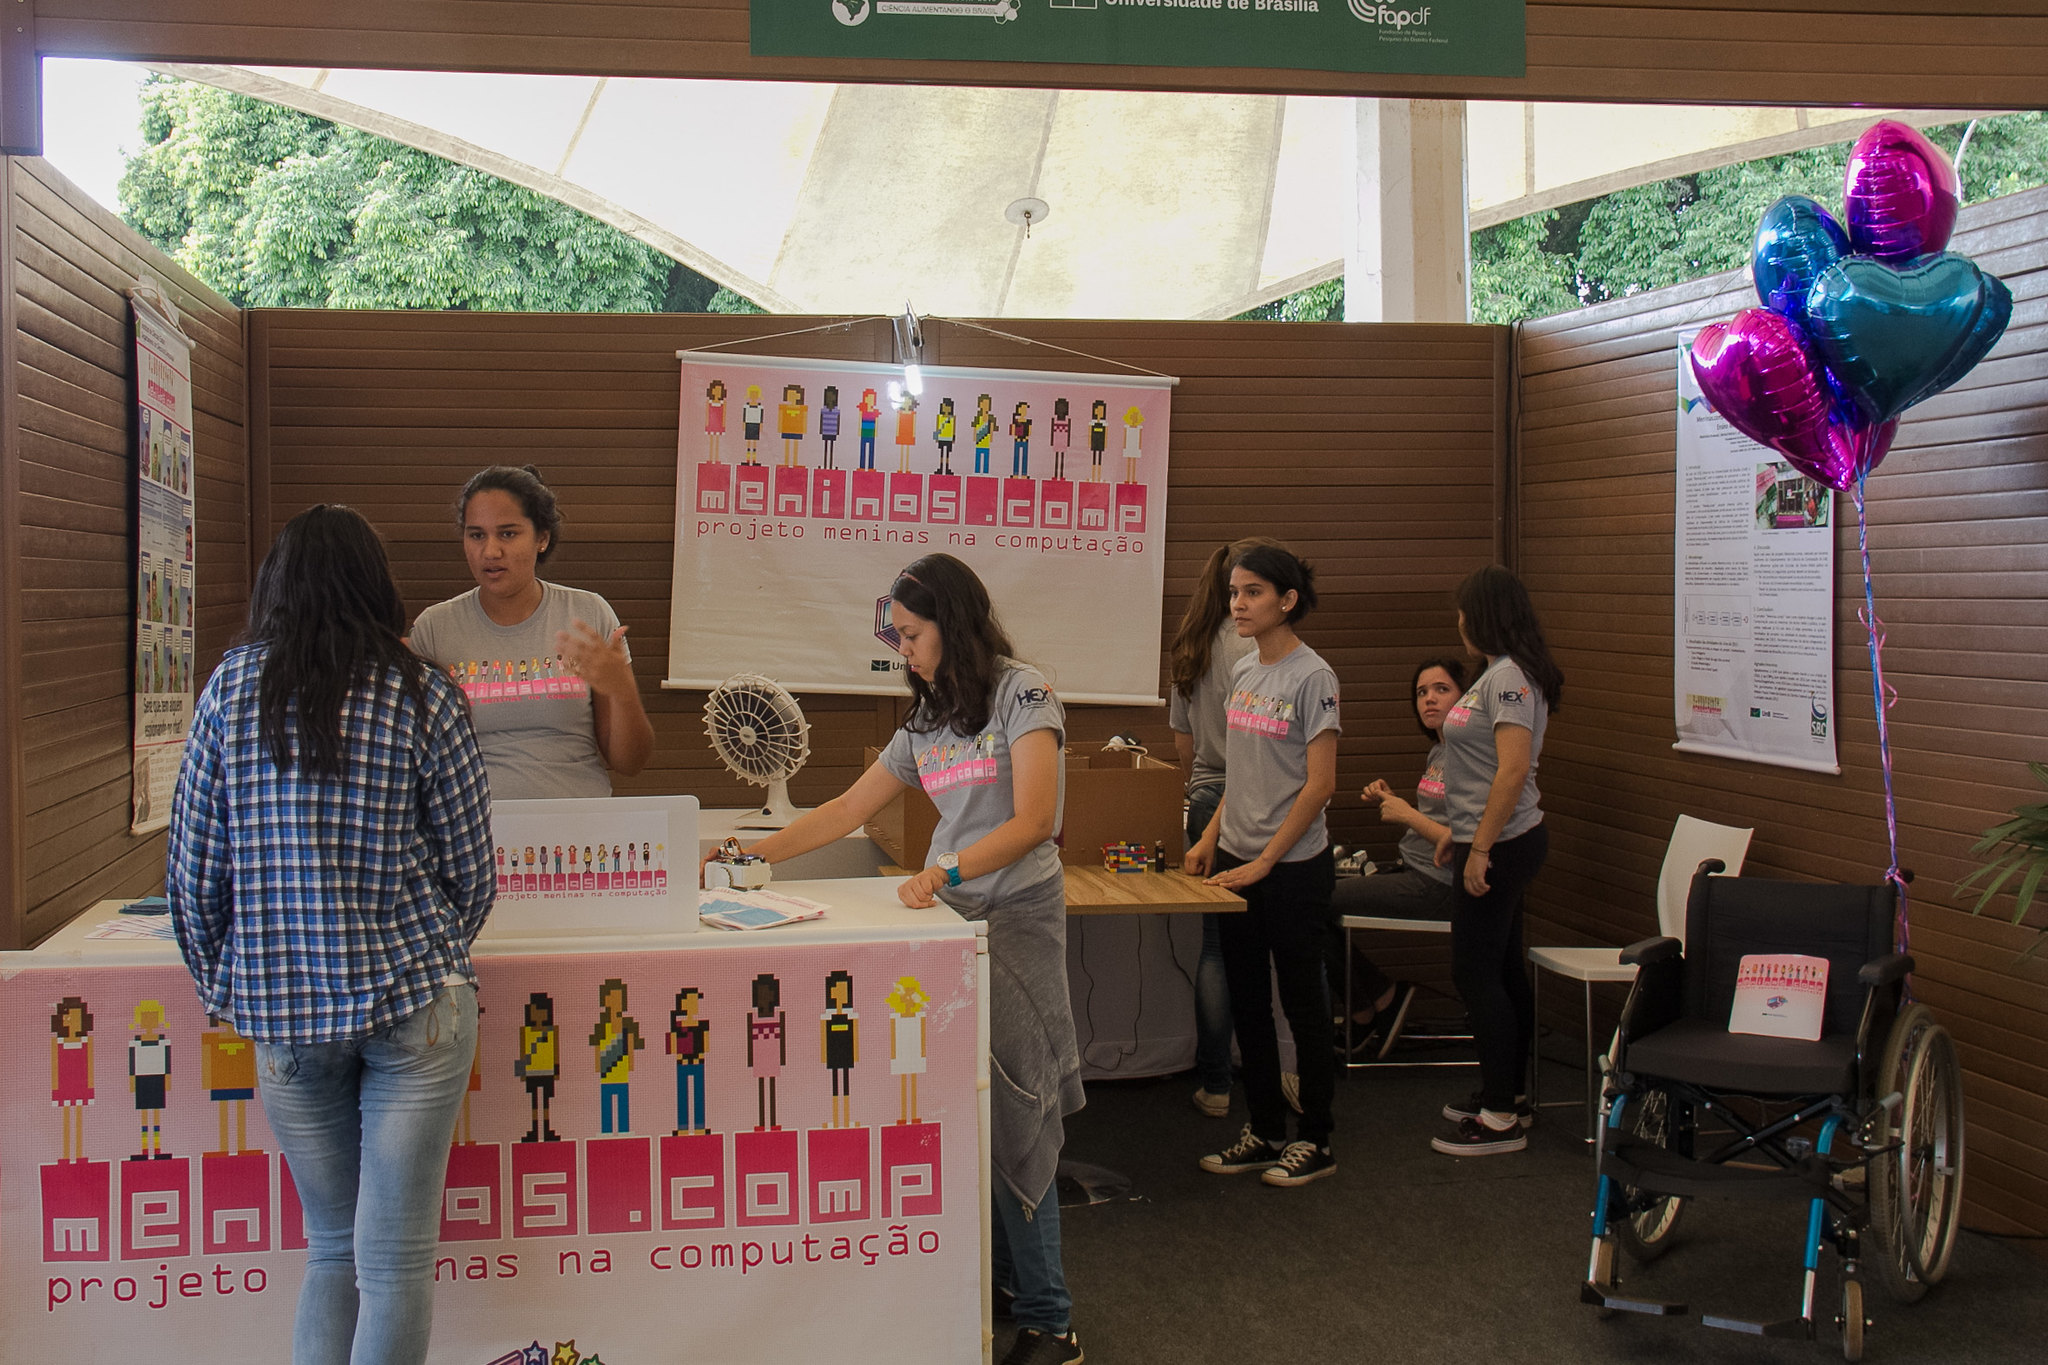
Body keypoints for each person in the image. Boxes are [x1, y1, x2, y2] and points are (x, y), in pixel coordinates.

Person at [713, 554, 1084, 1365]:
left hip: (1014, 915)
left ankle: (1053, 1319)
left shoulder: (1024, 693)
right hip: (953, 925)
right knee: (971, 1106)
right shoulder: (929, 716)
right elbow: (849, 806)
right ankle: (1006, 1285)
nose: (906, 652)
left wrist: (944, 868)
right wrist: (753, 853)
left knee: (1020, 1113)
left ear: (954, 623)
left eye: (913, 635)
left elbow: (1035, 819)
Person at [167, 503, 494, 1365]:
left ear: (275, 587)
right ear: (375, 588)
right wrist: (429, 948)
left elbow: (195, 877)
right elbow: (472, 870)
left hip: (284, 1014)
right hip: (417, 1001)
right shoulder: (423, 691)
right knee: (393, 1264)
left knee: (332, 1250)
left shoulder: (229, 691)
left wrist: (230, 985)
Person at [1186, 542, 1340, 1188]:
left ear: (1287, 599)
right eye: (1234, 592)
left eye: (1252, 592)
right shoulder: (1246, 672)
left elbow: (1319, 785)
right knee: (1248, 999)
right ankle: (1265, 1127)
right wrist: (1211, 839)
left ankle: (1316, 1139)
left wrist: (1266, 860)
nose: (1237, 605)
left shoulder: (1314, 677)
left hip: (1294, 866)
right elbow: (1238, 776)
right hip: (1236, 858)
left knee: (1303, 1003)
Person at [410, 466, 654, 800]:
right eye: (476, 535)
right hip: (473, 835)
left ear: (542, 538)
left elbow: (630, 763)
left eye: (508, 534)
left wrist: (623, 690)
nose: (490, 552)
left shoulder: (588, 613)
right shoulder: (434, 628)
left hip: (579, 829)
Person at [1431, 565, 1562, 1157]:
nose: (1458, 621)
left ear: (1484, 615)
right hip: (1489, 837)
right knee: (1504, 969)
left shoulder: (1508, 679)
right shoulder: (1497, 674)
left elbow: (1510, 771)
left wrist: (1479, 847)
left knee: (1475, 972)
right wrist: (1459, 835)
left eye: (1464, 611)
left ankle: (1500, 1116)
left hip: (1504, 843)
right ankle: (1506, 1093)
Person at [1166, 537, 1271, 1118]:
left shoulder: (1190, 646)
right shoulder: (1257, 651)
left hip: (1205, 797)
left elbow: (1184, 748)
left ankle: (1215, 1084)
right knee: (1272, 946)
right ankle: (1283, 1076)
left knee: (1214, 947)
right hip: (1254, 801)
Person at [1329, 657, 1468, 1061]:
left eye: (1442, 690)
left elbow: (1461, 838)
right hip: (1413, 868)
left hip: (1438, 884)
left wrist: (1406, 813)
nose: (1429, 700)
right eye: (1422, 692)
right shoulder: (1439, 751)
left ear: (1466, 697)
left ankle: (1370, 1004)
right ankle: (1377, 997)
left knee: (1310, 902)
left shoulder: (1470, 755)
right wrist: (1392, 801)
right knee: (1308, 895)